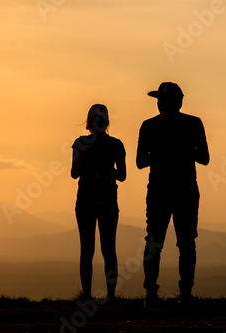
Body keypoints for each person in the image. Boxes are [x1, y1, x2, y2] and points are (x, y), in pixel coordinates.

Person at [136, 82, 209, 305]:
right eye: (159, 100)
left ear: (177, 102)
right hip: (168, 191)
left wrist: (181, 149)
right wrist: (168, 152)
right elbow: (140, 162)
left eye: (164, 99)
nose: (160, 104)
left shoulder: (189, 124)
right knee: (165, 243)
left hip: (177, 191)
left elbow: (204, 157)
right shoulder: (152, 126)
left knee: (180, 243)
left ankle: (177, 293)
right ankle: (159, 293)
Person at [71, 104, 126, 300]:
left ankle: (87, 294)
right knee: (108, 249)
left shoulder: (80, 143)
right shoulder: (116, 145)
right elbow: (122, 175)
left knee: (88, 249)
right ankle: (110, 295)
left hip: (86, 200)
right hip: (108, 200)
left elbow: (73, 173)